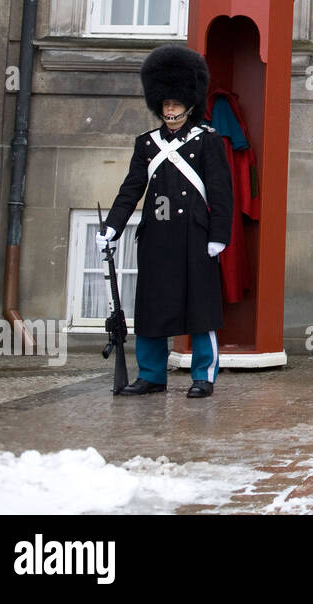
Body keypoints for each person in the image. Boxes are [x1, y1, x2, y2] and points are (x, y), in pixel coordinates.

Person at [97, 45, 233, 398]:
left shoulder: (207, 141)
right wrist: (111, 226)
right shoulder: (146, 144)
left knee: (200, 309)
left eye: (175, 104)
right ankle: (152, 375)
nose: (170, 110)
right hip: (157, 235)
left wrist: (218, 235)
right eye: (165, 104)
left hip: (195, 237)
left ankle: (204, 375)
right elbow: (132, 189)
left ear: (188, 103)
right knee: (152, 308)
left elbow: (221, 192)